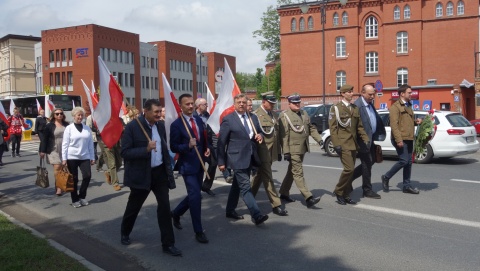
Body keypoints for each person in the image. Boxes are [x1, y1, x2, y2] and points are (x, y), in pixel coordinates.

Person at [120, 99, 181, 256]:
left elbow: (163, 149)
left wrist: (169, 170)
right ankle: (125, 231)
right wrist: (145, 149)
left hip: (159, 174)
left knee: (165, 208)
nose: (159, 115)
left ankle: (168, 244)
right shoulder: (133, 127)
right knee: (134, 206)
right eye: (156, 112)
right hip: (141, 174)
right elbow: (125, 152)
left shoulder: (160, 126)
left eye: (160, 112)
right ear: (145, 111)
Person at [217, 93, 269, 225]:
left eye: (243, 102)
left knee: (237, 185)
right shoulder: (229, 119)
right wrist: (221, 161)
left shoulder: (253, 117)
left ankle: (230, 210)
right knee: (246, 186)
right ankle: (256, 215)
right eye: (239, 102)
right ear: (234, 105)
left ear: (247, 104)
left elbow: (259, 131)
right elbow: (221, 142)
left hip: (250, 156)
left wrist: (260, 136)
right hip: (236, 158)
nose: (241, 104)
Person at [170, 94, 210, 244]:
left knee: (194, 195)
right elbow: (173, 146)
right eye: (187, 104)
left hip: (200, 163)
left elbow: (203, 138)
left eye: (192, 103)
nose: (190, 106)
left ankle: (176, 213)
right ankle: (198, 231)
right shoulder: (177, 125)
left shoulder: (198, 120)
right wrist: (186, 146)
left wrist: (207, 148)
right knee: (195, 197)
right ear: (180, 106)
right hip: (187, 165)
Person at [278, 93, 322, 208]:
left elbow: (311, 128)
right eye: (295, 103)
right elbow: (284, 135)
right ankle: (308, 197)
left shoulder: (304, 113)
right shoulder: (285, 116)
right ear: (289, 104)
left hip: (302, 147)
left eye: (298, 102)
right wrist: (286, 151)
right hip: (293, 149)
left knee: (291, 172)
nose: (297, 104)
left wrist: (319, 140)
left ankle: (283, 192)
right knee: (298, 172)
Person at [329, 84, 369, 205]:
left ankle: (345, 194)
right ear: (342, 94)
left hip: (353, 143)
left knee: (350, 171)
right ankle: (339, 190)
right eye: (349, 92)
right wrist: (336, 144)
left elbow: (359, 126)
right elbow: (332, 128)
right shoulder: (336, 108)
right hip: (343, 143)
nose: (352, 94)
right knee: (349, 169)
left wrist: (365, 138)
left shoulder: (355, 108)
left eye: (352, 91)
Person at [251, 91, 287, 216]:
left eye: (273, 103)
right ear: (263, 102)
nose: (272, 105)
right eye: (270, 103)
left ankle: (248, 197)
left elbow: (277, 135)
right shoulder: (255, 116)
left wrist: (280, 152)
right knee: (268, 177)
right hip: (262, 152)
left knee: (259, 176)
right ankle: (276, 204)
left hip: (272, 152)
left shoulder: (274, 115)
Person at [381, 84, 422, 195]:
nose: (411, 94)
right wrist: (398, 140)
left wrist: (415, 122)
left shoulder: (408, 105)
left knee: (408, 163)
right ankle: (386, 177)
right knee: (404, 160)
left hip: (409, 138)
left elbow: (407, 122)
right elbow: (394, 125)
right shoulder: (395, 107)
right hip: (400, 138)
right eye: (409, 92)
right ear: (402, 94)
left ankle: (406, 186)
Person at [351, 83, 386, 199]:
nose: (372, 96)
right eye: (370, 94)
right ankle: (367, 189)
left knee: (371, 161)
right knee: (367, 163)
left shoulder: (370, 104)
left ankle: (348, 179)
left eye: (374, 94)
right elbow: (355, 126)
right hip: (362, 140)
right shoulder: (357, 106)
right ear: (363, 93)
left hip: (370, 139)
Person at [62, 107, 95, 208]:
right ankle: (75, 199)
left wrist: (92, 157)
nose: (80, 117)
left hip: (84, 156)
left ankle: (82, 196)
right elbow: (65, 144)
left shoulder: (86, 128)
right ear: (74, 116)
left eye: (81, 115)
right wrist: (64, 158)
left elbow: (90, 143)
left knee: (87, 176)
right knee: (74, 179)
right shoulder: (69, 128)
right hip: (72, 157)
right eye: (78, 115)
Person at [40, 108, 70, 196]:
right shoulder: (49, 125)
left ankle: (63, 183)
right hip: (53, 148)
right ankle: (58, 188)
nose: (59, 115)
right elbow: (44, 139)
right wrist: (42, 151)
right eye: (57, 114)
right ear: (53, 115)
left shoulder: (67, 125)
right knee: (57, 167)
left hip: (65, 148)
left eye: (61, 113)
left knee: (63, 168)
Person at [193, 98, 215, 196]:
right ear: (199, 106)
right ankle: (196, 190)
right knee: (198, 168)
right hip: (197, 146)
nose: (207, 106)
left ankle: (206, 186)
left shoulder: (207, 116)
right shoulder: (193, 116)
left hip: (208, 144)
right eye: (205, 104)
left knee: (214, 164)